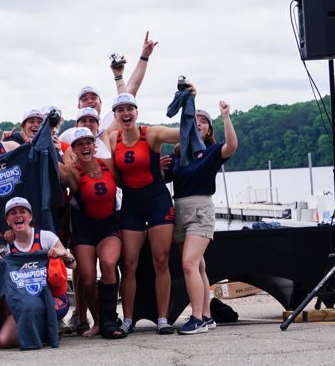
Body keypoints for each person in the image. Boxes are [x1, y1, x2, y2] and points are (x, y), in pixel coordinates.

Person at [102, 92, 182, 335]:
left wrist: (188, 102)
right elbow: (113, 175)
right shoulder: (111, 138)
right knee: (128, 264)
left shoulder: (152, 134)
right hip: (132, 204)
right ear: (115, 115)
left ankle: (162, 318)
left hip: (157, 201)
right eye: (120, 110)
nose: (126, 114)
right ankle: (127, 319)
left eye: (130, 109)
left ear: (137, 112)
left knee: (161, 260)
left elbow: (186, 133)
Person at [167, 103, 237, 334]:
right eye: (194, 119)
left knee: (188, 263)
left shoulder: (211, 152)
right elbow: (160, 177)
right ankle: (207, 316)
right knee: (198, 265)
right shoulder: (177, 155)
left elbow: (232, 146)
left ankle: (196, 317)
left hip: (200, 209)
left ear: (208, 130)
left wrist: (225, 117)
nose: (198, 123)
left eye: (204, 121)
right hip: (179, 210)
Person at [58, 127, 125, 338]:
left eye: (89, 142)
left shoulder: (109, 166)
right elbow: (51, 164)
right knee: (87, 279)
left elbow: (131, 178)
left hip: (109, 227)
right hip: (84, 230)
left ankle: (109, 321)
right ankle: (98, 322)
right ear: (74, 150)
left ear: (94, 146)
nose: (85, 146)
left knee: (108, 264)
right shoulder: (73, 173)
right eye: (80, 144)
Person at [0, 197, 74, 349]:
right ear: (7, 220)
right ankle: (45, 331)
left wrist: (62, 253)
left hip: (51, 298)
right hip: (23, 302)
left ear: (30, 216)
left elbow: (74, 264)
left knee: (43, 310)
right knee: (4, 341)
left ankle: (53, 324)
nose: (18, 215)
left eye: (22, 211)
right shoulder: (7, 247)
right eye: (13, 213)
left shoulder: (46, 237)